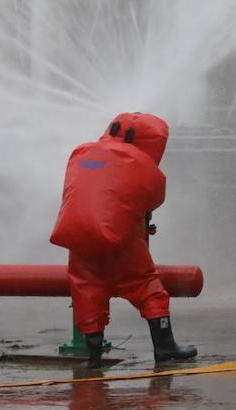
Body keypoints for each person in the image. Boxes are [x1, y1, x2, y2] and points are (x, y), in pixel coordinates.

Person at [50, 112, 196, 369]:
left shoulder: (82, 154)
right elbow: (154, 198)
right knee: (148, 287)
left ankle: (94, 358)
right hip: (121, 243)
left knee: (88, 290)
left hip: (79, 242)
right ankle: (164, 347)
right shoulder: (140, 162)